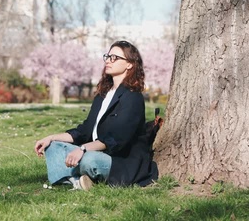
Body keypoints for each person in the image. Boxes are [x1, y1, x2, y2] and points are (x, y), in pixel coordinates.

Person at [34, 40, 158, 190]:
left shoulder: (133, 97)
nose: (108, 61)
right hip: (93, 150)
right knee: (53, 147)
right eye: (107, 56)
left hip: (118, 160)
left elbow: (117, 140)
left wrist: (83, 149)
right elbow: (85, 130)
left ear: (130, 64)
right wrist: (51, 137)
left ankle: (73, 178)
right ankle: (78, 181)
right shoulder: (102, 95)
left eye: (115, 58)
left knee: (89, 160)